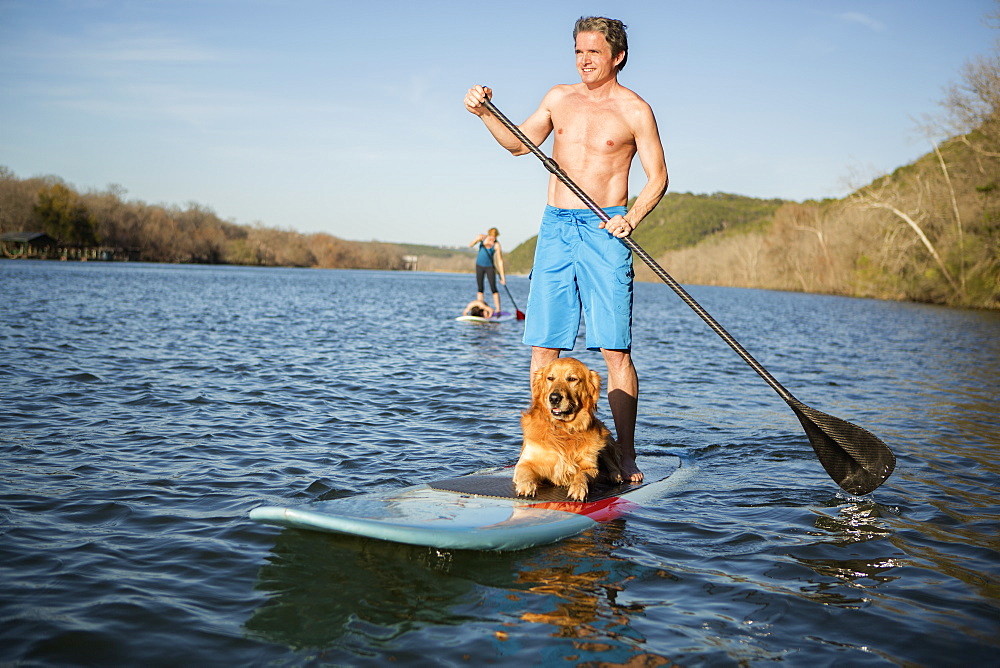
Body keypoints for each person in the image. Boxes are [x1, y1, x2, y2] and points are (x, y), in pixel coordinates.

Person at [464, 16, 668, 482]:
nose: (584, 61)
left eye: (594, 52)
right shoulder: (559, 98)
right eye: (578, 51)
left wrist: (631, 218)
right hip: (556, 228)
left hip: (605, 228)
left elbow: (658, 177)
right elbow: (519, 145)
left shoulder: (636, 110)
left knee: (614, 350)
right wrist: (485, 114)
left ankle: (627, 455)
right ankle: (535, 452)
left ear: (617, 56)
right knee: (543, 350)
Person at [468, 227, 506, 314]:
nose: (493, 238)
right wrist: (476, 240)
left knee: (493, 288)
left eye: (495, 237)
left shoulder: (496, 245)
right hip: (479, 266)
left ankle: (498, 310)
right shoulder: (482, 238)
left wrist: (502, 277)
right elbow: (470, 245)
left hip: (490, 267)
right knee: (480, 288)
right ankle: (480, 309)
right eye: (492, 236)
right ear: (489, 234)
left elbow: (500, 261)